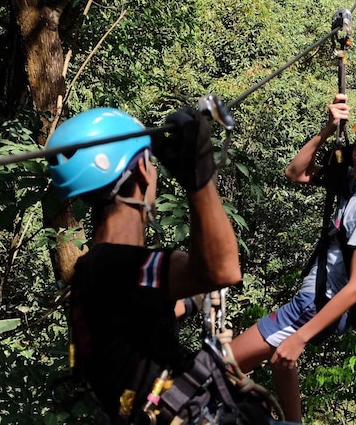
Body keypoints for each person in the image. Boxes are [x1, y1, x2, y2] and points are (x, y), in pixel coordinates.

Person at [46, 106, 280, 425]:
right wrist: (198, 176)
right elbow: (222, 269)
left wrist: (190, 301)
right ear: (143, 170)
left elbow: (141, 315)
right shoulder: (116, 264)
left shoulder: (94, 269)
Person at [229, 94, 356, 423]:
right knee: (279, 361)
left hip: (315, 305)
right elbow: (295, 172)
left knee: (218, 368)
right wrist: (326, 131)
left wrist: (301, 337)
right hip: (316, 300)